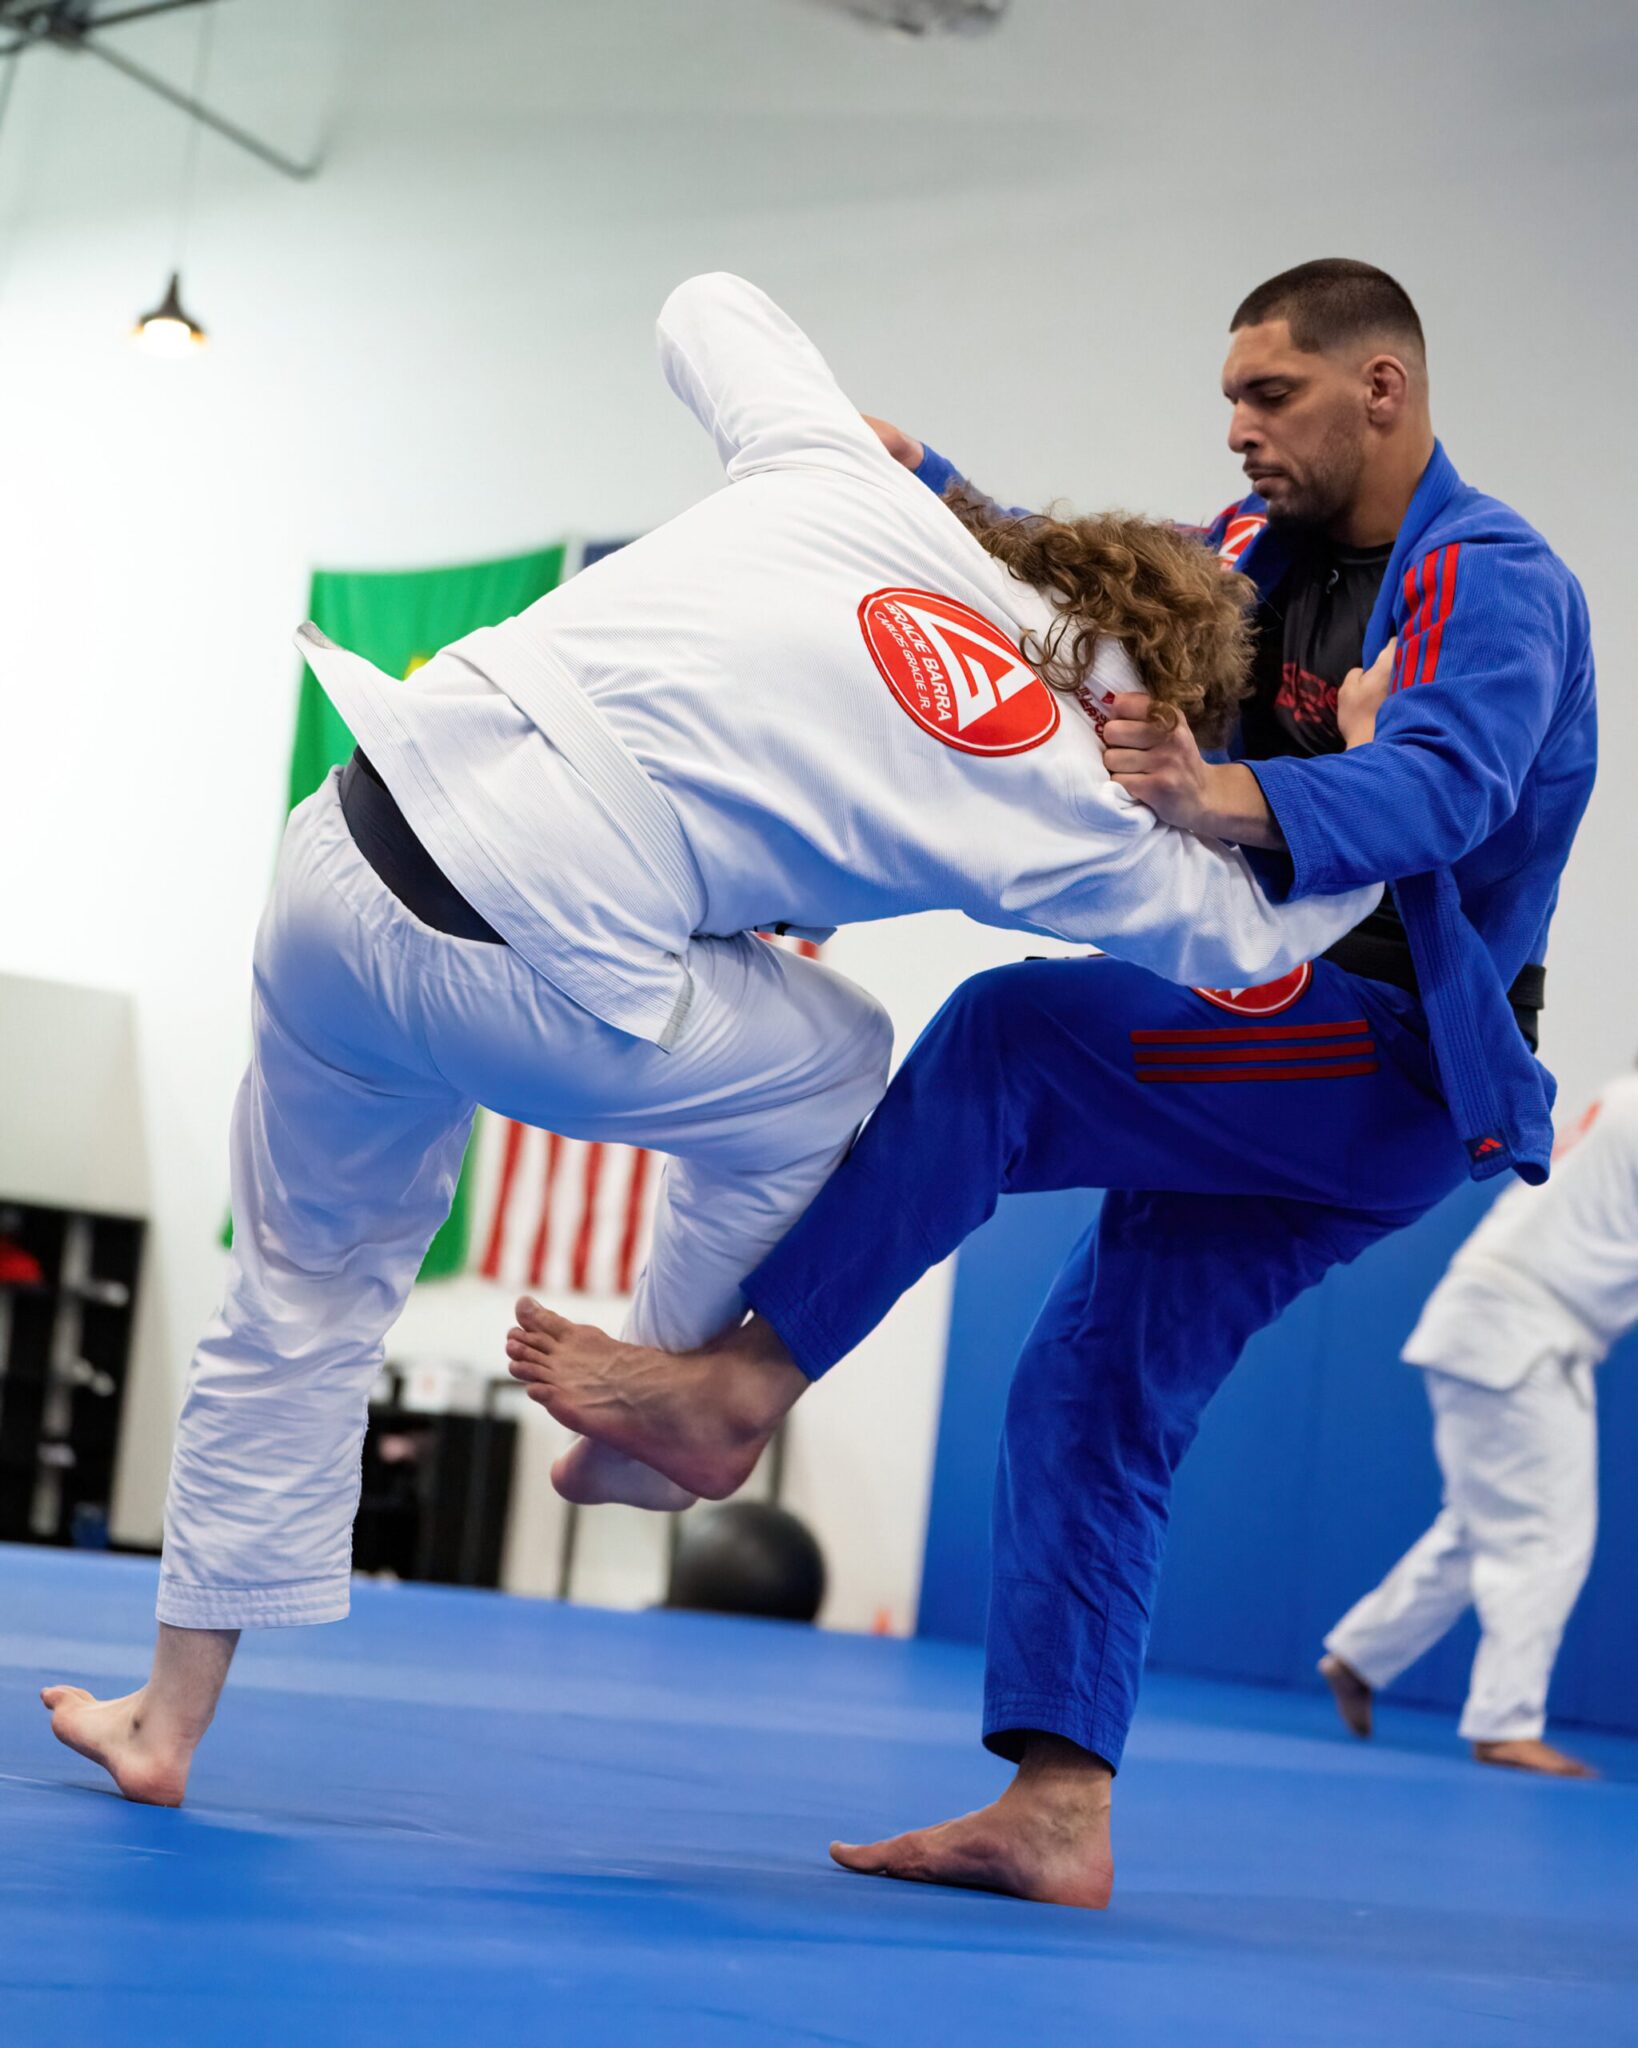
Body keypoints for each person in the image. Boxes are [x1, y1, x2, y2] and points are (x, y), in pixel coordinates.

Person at [38, 273, 1371, 1808]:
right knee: (838, 1059)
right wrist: (1359, 783)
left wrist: (853, 440)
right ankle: (662, 1399)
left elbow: (703, 305)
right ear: (1172, 695)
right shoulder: (1087, 779)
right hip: (527, 956)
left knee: (296, 1299)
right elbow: (1251, 941)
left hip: (340, 863)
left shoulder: (830, 479)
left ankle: (167, 1720)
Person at [505, 260, 1598, 1909]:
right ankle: (1056, 1810)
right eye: (1226, 396)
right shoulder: (1256, 557)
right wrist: (924, 482)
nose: (1234, 428)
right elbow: (1086, 572)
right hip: (1276, 1040)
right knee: (1088, 1386)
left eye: (1267, 394)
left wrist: (1208, 785)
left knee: (1011, 1039)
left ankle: (737, 1388)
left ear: (1380, 387)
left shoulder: (1485, 573)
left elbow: (1440, 789)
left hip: (1386, 1055)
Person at [1321, 1073, 1638, 1778]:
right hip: (1522, 1329)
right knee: (1542, 1536)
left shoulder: (1621, 1096)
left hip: (1494, 1315)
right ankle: (1505, 1724)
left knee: (1481, 1524)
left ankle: (1361, 1654)